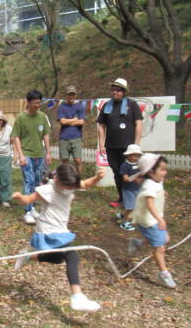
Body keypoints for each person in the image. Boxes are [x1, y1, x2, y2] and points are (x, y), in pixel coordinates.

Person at [12, 164, 105, 312]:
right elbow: (28, 199)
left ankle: (27, 256)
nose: (71, 189)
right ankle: (77, 297)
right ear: (57, 181)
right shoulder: (48, 190)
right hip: (49, 230)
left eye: (73, 186)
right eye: (68, 186)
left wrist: (98, 177)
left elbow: (86, 184)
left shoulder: (71, 183)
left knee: (57, 259)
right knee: (72, 255)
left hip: (60, 229)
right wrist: (19, 197)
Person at [128, 153, 176, 289]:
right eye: (162, 169)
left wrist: (163, 192)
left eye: (165, 169)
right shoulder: (148, 185)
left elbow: (158, 189)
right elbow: (149, 204)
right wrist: (160, 219)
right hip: (149, 220)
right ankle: (164, 273)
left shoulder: (157, 181)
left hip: (154, 218)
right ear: (150, 171)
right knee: (159, 247)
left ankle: (137, 243)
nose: (165, 172)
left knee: (165, 239)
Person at [96, 78, 143, 209]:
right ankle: (122, 198)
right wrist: (101, 144)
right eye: (113, 90)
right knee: (117, 172)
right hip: (111, 146)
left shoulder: (132, 104)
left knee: (129, 173)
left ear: (123, 92)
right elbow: (101, 125)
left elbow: (138, 123)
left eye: (118, 90)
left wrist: (136, 144)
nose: (115, 92)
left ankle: (133, 199)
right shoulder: (107, 106)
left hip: (128, 147)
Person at [11, 89, 52, 225]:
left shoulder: (42, 117)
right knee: (29, 181)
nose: (37, 105)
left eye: (39, 103)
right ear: (28, 102)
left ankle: (33, 207)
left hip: (39, 154)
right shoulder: (21, 118)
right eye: (34, 103)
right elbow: (16, 137)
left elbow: (46, 135)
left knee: (37, 182)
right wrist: (20, 155)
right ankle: (27, 211)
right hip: (27, 154)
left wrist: (48, 152)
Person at [57, 85, 86, 176]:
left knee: (78, 160)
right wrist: (74, 120)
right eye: (70, 94)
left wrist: (67, 121)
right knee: (65, 161)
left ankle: (78, 181)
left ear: (76, 95)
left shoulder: (80, 107)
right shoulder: (61, 107)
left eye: (73, 94)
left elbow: (81, 121)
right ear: (67, 95)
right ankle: (66, 181)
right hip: (64, 138)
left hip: (76, 137)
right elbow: (62, 121)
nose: (71, 96)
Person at [119, 144, 142, 231]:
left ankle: (123, 214)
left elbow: (141, 173)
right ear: (128, 155)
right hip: (128, 190)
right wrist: (135, 179)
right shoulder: (124, 165)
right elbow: (126, 179)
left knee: (136, 205)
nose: (136, 158)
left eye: (137, 156)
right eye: (133, 155)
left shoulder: (139, 164)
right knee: (130, 207)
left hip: (137, 188)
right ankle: (125, 223)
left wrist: (140, 178)